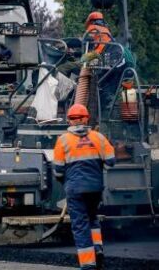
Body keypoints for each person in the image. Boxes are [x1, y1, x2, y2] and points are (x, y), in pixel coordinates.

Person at [53, 104, 115, 270]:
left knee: (80, 226)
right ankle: (98, 250)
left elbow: (58, 170)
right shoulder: (99, 137)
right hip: (95, 188)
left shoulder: (63, 140)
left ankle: (88, 264)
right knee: (92, 218)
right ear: (87, 118)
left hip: (75, 189)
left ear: (69, 120)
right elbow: (111, 161)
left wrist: (65, 182)